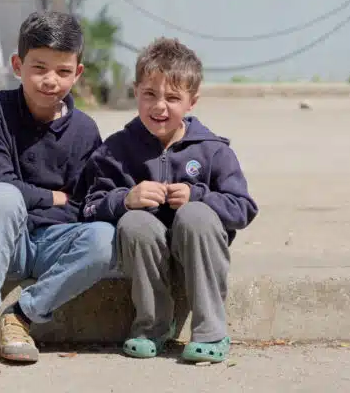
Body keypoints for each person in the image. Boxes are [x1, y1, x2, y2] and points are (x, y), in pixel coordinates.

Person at [0, 11, 116, 373]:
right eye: (39, 68)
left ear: (77, 73)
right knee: (1, 198)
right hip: (5, 241)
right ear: (18, 65)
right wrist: (52, 197)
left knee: (104, 237)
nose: (50, 81)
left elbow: (81, 205)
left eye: (62, 72)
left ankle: (20, 315)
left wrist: (46, 200)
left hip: (53, 243)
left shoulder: (86, 131)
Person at [81, 38, 258, 364]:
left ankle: (210, 330)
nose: (159, 106)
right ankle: (153, 326)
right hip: (145, 254)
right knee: (134, 222)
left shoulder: (212, 150)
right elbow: (90, 206)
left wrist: (199, 196)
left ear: (192, 101)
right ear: (135, 92)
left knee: (196, 215)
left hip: (198, 250)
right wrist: (125, 200)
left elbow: (243, 208)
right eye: (149, 94)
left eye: (173, 97)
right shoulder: (116, 150)